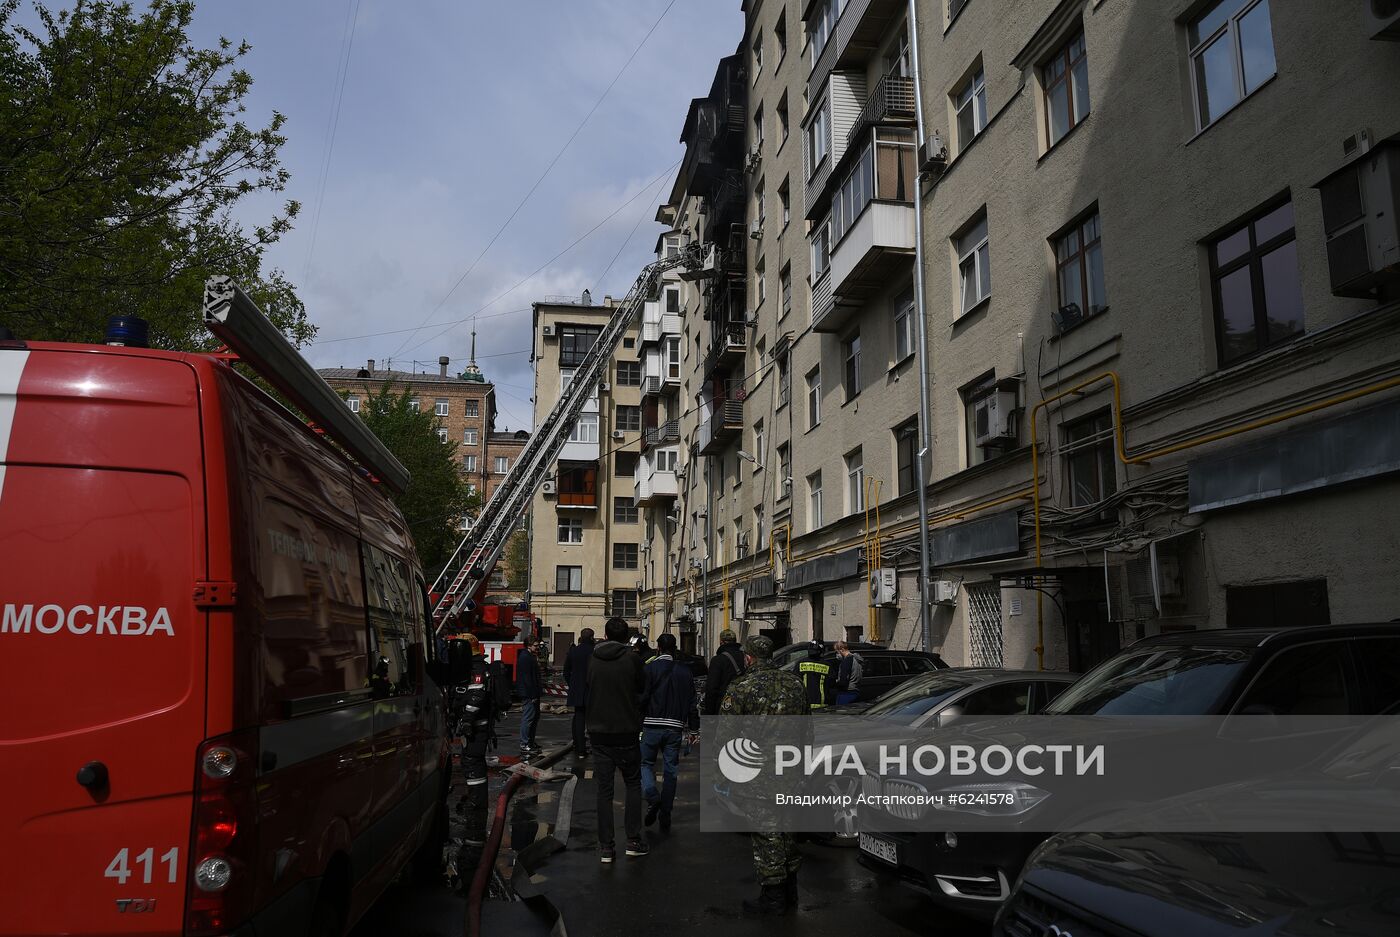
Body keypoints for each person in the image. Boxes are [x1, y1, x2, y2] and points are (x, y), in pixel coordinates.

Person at [719, 634, 809, 916]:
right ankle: (790, 890)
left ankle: (773, 898)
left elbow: (726, 736)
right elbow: (808, 730)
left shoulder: (742, 687)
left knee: (767, 833)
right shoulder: (795, 684)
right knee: (788, 831)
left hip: (757, 776)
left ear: (748, 657)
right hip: (791, 771)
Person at [587, 616, 648, 862]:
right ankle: (633, 840)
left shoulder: (593, 659)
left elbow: (588, 686)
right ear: (626, 637)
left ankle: (606, 847)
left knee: (604, 789)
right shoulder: (632, 659)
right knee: (633, 784)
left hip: (598, 731)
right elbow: (643, 689)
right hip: (626, 730)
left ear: (605, 634)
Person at [639, 633, 699, 832]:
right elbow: (692, 703)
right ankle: (666, 812)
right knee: (670, 770)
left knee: (645, 764)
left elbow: (643, 696)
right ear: (675, 648)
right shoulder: (685, 672)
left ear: (658, 649)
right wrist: (693, 728)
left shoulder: (649, 668)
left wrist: (638, 721)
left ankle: (651, 795)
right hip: (674, 727)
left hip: (651, 724)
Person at [450, 633, 496, 842]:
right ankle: (476, 798)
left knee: (473, 762)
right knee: (471, 761)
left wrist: (467, 719)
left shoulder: (477, 669)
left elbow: (476, 696)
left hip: (476, 726)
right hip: (474, 725)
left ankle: (477, 804)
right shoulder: (473, 667)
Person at [563, 627, 595, 757]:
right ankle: (594, 746)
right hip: (591, 689)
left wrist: (572, 684)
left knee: (578, 718)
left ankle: (578, 746)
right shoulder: (594, 651)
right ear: (592, 637)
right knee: (592, 720)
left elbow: (566, 671)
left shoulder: (573, 651)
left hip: (577, 689)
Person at [703, 628, 746, 715]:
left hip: (724, 707)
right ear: (735, 641)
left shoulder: (718, 660)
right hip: (744, 705)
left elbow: (712, 689)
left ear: (721, 642)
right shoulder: (746, 657)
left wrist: (709, 714)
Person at [515, 636, 543, 756]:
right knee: (528, 718)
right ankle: (525, 743)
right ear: (529, 645)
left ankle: (529, 742)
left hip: (532, 692)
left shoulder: (529, 656)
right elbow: (527, 679)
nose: (537, 648)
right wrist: (532, 695)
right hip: (529, 693)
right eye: (536, 646)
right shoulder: (525, 658)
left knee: (534, 717)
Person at [833, 641, 864, 706]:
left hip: (846, 693)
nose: (837, 654)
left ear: (842, 649)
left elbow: (843, 681)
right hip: (856, 691)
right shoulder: (856, 659)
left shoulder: (847, 661)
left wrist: (836, 683)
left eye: (837, 652)